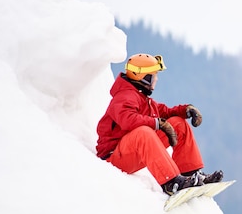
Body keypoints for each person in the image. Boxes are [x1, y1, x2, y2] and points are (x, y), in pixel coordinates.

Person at [96, 53, 223, 195]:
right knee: (144, 132)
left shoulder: (141, 97)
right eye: (153, 75)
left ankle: (191, 175)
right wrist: (157, 123)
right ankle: (172, 183)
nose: (156, 79)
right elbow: (128, 120)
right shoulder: (124, 97)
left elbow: (164, 111)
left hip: (133, 151)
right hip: (115, 158)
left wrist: (186, 110)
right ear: (142, 76)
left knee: (178, 124)